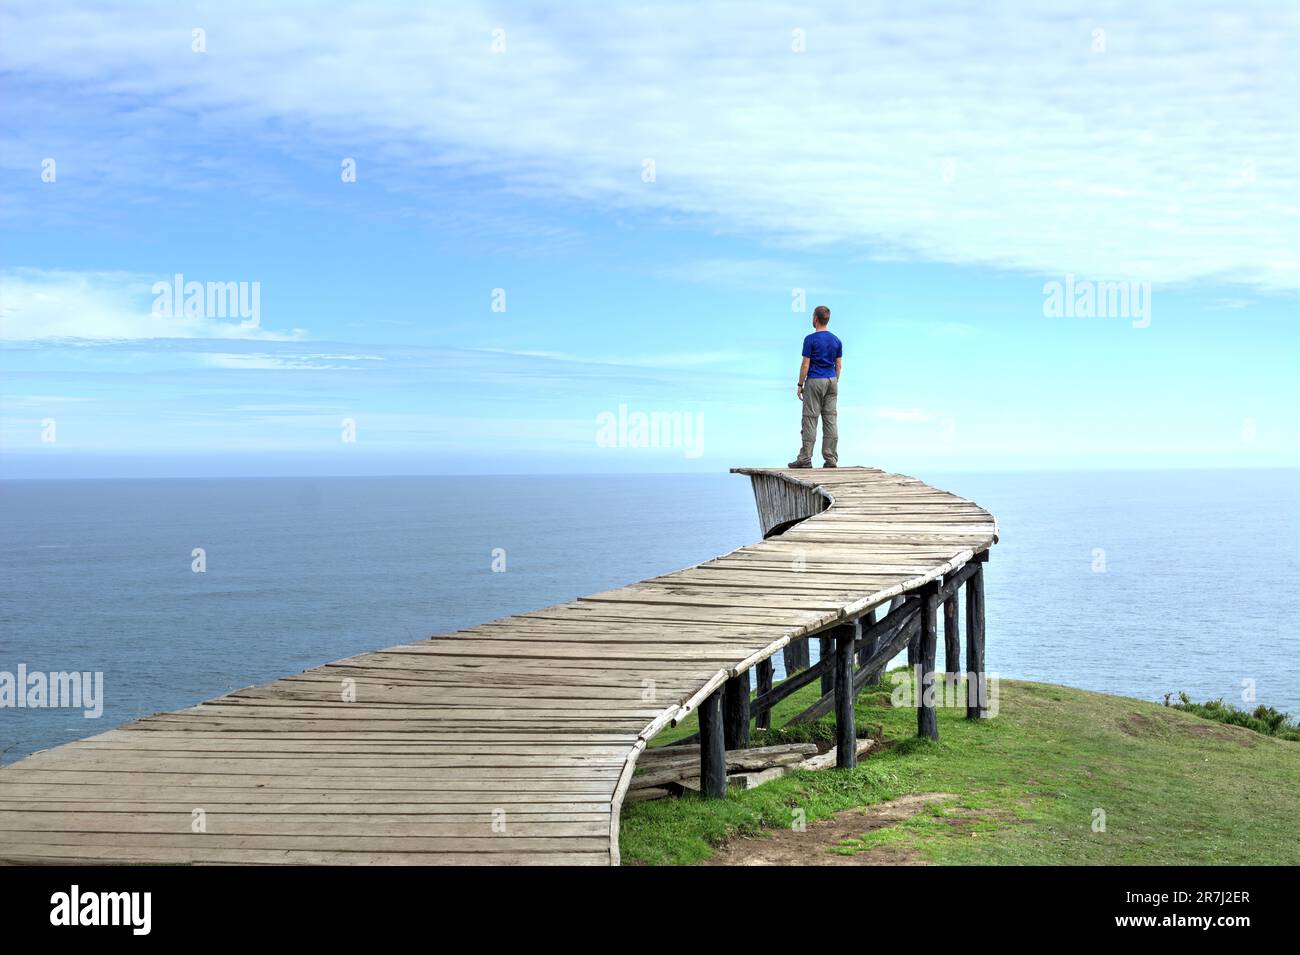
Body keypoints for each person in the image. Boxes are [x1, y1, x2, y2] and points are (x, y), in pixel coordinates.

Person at [788, 304, 841, 469]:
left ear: (816, 319)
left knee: (810, 419)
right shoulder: (836, 340)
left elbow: (805, 364)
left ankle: (805, 459)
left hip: (815, 380)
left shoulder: (810, 339)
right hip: (832, 380)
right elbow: (838, 365)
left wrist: (800, 384)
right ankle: (831, 459)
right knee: (830, 420)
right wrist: (834, 381)